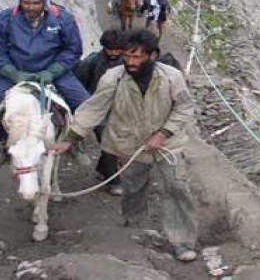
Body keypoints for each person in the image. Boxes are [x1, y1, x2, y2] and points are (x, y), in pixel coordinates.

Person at [52, 30, 199, 262]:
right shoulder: (113, 78)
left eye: (137, 57)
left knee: (177, 187)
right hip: (130, 145)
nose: (131, 62)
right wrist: (70, 139)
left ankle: (182, 241)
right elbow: (94, 108)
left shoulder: (171, 77)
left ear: (153, 55)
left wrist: (163, 133)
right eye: (127, 57)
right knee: (134, 187)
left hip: (168, 145)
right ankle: (135, 227)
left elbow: (184, 108)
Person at [0, 0, 90, 159]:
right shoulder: (6, 19)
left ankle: (72, 142)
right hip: (16, 72)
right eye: (26, 2)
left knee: (84, 105)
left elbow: (73, 49)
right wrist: (12, 72)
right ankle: (2, 144)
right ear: (20, 2)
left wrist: (53, 71)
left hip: (53, 72)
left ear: (44, 3)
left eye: (36, 3)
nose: (31, 7)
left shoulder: (62, 19)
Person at [73, 29, 126, 195]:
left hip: (121, 109)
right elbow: (78, 86)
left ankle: (103, 168)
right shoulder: (91, 63)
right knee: (108, 141)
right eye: (110, 49)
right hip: (98, 109)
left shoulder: (128, 62)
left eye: (117, 49)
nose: (113, 53)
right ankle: (114, 181)